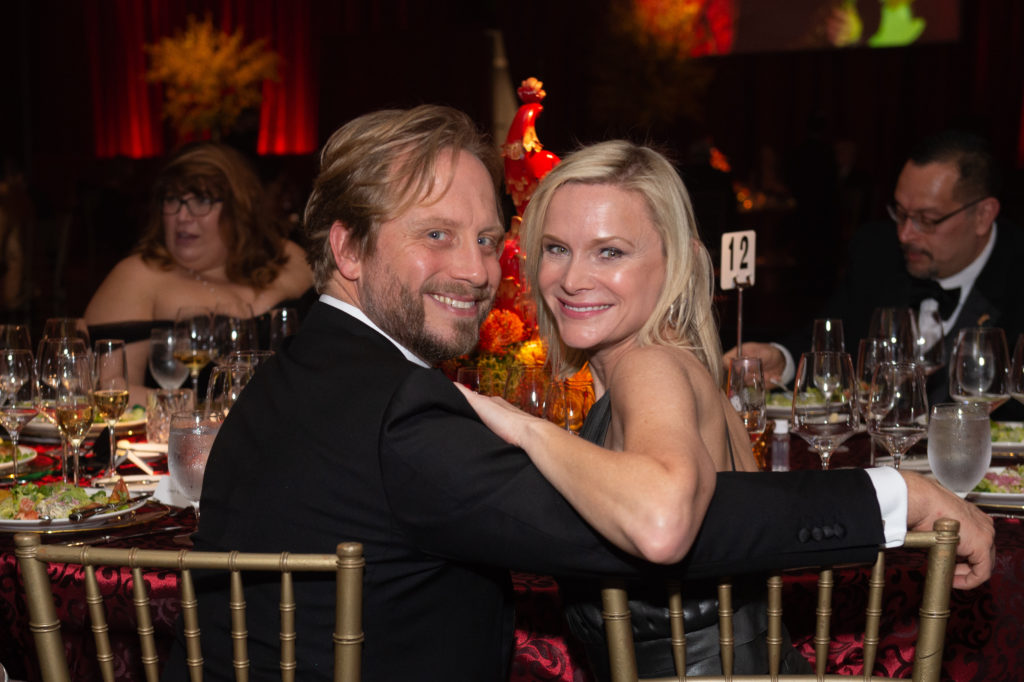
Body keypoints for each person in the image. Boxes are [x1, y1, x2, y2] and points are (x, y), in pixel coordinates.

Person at [161, 106, 992, 682]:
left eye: (489, 240)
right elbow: (666, 525)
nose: (477, 271)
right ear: (346, 246)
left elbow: (667, 518)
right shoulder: (399, 410)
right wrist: (894, 494)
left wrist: (527, 432)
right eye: (438, 236)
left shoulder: (291, 377)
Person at [456, 139, 811, 677]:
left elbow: (662, 522)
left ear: (675, 262)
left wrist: (527, 429)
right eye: (556, 248)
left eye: (610, 252)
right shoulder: (677, 366)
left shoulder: (649, 365)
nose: (572, 279)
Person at [731, 130, 1024, 414]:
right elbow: (830, 341)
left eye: (927, 219)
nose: (906, 234)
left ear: (983, 215)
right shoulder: (876, 253)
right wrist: (782, 362)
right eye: (900, 213)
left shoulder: (1016, 270)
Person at [83, 142, 314, 403]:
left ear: (239, 209)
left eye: (201, 200)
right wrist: (201, 412)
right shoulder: (137, 276)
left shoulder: (287, 257)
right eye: (173, 200)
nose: (182, 216)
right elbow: (110, 390)